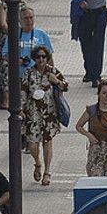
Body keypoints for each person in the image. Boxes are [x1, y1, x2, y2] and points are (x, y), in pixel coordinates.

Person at [21, 47, 68, 187]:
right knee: (32, 144)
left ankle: (47, 172)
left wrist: (57, 82)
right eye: (38, 57)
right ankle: (37, 163)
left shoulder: (53, 71)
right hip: (33, 113)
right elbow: (23, 91)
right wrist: (21, 108)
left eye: (43, 57)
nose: (41, 59)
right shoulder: (29, 73)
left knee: (47, 141)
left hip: (49, 113)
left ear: (47, 58)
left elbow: (65, 86)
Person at [70, 0, 107, 89]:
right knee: (86, 44)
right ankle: (89, 71)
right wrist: (79, 0)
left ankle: (96, 76)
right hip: (84, 13)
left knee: (98, 44)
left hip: (100, 12)